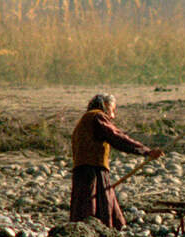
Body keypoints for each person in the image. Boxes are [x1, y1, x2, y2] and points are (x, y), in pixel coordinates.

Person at [70, 93, 163, 229]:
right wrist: (146, 151)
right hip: (93, 170)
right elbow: (117, 137)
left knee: (89, 204)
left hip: (84, 170)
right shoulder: (97, 117)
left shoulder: (85, 120)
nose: (112, 116)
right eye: (112, 111)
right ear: (106, 106)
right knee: (95, 205)